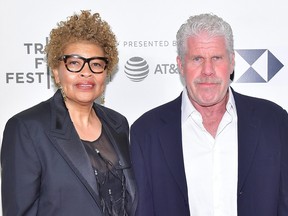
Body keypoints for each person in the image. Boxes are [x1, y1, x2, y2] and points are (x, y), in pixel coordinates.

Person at [130, 13, 288, 216]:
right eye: (197, 59)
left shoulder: (274, 122)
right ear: (180, 65)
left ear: (232, 62)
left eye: (216, 58)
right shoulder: (146, 132)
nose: (207, 70)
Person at [1, 10, 137, 216]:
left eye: (97, 64)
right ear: (56, 71)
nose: (86, 72)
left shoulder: (118, 123)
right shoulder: (26, 128)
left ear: (105, 73)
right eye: (74, 63)